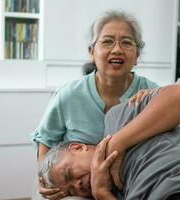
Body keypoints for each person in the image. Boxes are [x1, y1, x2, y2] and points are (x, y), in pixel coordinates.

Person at [31, 9, 159, 199]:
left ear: (137, 54)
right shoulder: (68, 95)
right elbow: (45, 144)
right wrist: (46, 179)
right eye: (107, 41)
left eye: (126, 42)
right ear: (92, 51)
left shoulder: (150, 93)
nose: (117, 49)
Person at [39, 84, 180, 200]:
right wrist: (101, 192)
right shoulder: (110, 191)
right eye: (72, 190)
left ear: (78, 147)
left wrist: (117, 143)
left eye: (69, 175)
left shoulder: (118, 118)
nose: (79, 185)